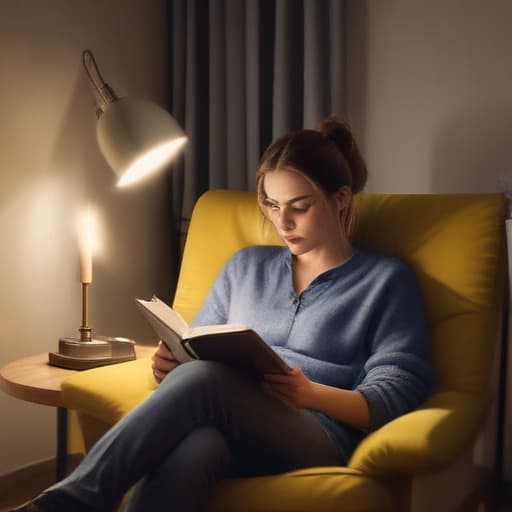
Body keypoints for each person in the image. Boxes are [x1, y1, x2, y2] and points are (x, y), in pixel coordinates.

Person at [12, 116, 434, 512]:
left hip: (320, 432)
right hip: (228, 418)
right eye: (270, 204)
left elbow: (397, 394)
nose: (281, 221)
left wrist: (310, 394)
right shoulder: (245, 266)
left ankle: (71, 501)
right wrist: (170, 364)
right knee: (199, 447)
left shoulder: (384, 279)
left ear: (340, 200)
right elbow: (199, 350)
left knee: (205, 381)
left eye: (299, 206)